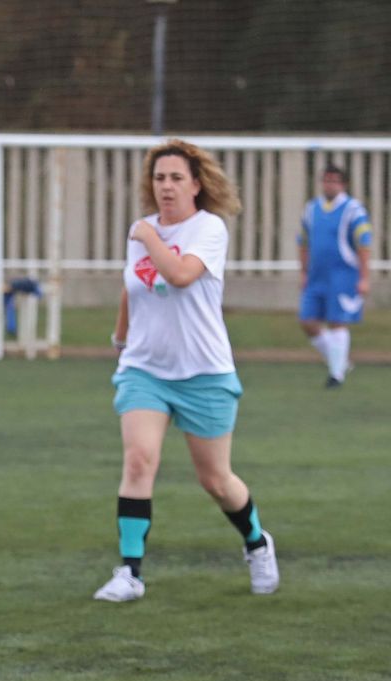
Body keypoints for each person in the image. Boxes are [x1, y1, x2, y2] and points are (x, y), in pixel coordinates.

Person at [94, 139, 278, 603]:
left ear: (197, 184)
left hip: (204, 373)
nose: (167, 186)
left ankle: (257, 542)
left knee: (216, 480)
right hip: (145, 370)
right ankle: (130, 572)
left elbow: (178, 274)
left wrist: (147, 235)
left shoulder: (208, 229)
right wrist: (120, 340)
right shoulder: (144, 232)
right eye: (159, 178)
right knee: (139, 461)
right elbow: (131, 289)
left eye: (176, 178)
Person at [297, 163, 373, 388]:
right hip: (316, 275)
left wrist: (364, 277)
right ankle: (339, 360)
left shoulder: (353, 209)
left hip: (343, 275)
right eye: (326, 180)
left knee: (337, 321)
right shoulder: (311, 209)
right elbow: (303, 241)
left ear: (343, 184)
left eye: (334, 180)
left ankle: (335, 375)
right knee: (307, 321)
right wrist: (303, 271)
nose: (329, 184)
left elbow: (364, 244)